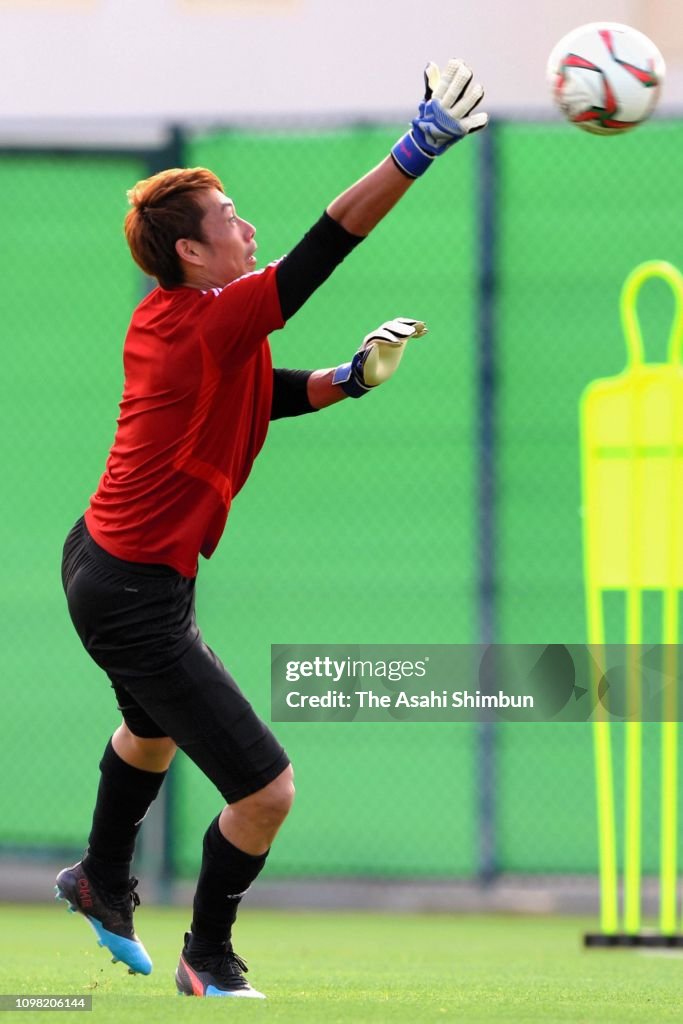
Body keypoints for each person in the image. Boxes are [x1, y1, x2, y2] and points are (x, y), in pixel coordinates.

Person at [55, 57, 488, 999]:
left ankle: (98, 876)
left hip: (108, 565)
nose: (245, 227)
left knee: (150, 736)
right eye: (227, 221)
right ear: (191, 256)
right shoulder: (208, 322)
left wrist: (345, 378)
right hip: (132, 590)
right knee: (266, 792)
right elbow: (321, 250)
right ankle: (206, 957)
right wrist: (416, 150)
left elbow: (262, 393)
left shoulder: (189, 321)